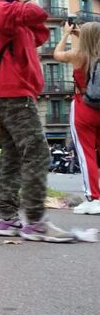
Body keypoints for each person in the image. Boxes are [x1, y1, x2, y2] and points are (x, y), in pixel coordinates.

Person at [0, 0, 73, 242]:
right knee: (38, 152)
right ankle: (35, 222)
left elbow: (39, 32)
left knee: (14, 157)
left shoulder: (4, 12)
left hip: (13, 90)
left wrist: (20, 0)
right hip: (14, 90)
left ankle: (8, 219)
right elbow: (38, 14)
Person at [54, 21, 100, 214]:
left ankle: (94, 198)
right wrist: (85, 35)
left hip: (84, 107)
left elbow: (56, 54)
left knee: (86, 153)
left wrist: (66, 34)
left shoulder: (77, 56)